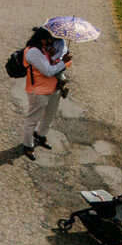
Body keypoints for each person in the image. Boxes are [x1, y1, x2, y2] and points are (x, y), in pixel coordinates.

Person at [22, 26, 70, 160]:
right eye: (50, 39)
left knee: (50, 115)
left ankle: (41, 135)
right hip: (38, 91)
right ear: (42, 40)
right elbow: (48, 71)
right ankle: (28, 145)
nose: (53, 41)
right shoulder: (32, 52)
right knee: (32, 119)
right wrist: (64, 63)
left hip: (54, 88)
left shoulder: (47, 49)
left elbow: (53, 62)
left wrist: (61, 57)